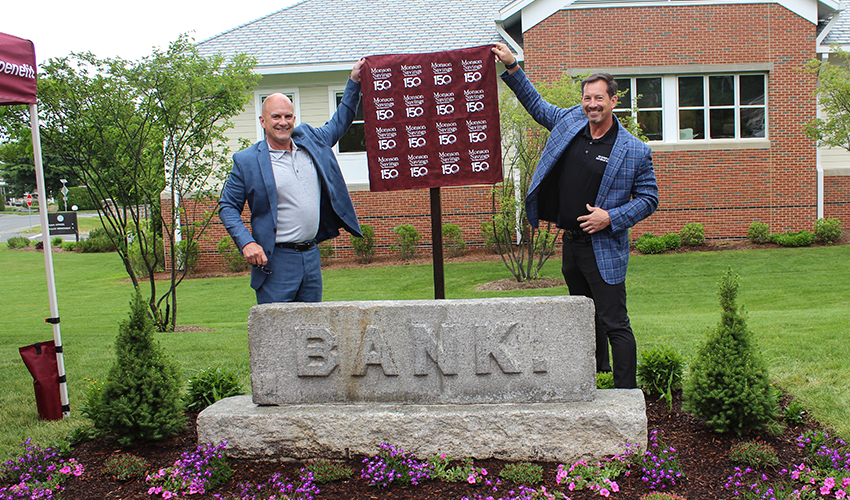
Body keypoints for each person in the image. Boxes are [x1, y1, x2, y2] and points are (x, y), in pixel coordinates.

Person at [492, 43, 659, 388]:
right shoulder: (571, 121)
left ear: (614, 101)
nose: (592, 105)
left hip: (605, 247)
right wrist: (512, 67)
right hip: (571, 245)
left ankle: (626, 393)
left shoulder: (633, 150)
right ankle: (597, 374)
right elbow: (537, 107)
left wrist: (610, 217)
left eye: (599, 99)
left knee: (615, 321)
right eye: (587, 98)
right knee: (585, 317)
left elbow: (648, 199)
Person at [219, 59, 365, 304]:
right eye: (275, 116)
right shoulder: (246, 161)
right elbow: (227, 207)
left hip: (310, 257)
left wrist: (353, 83)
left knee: (312, 330)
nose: (282, 122)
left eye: (287, 116)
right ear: (263, 121)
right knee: (277, 334)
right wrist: (246, 243)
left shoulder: (311, 140)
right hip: (276, 261)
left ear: (294, 118)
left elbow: (341, 121)